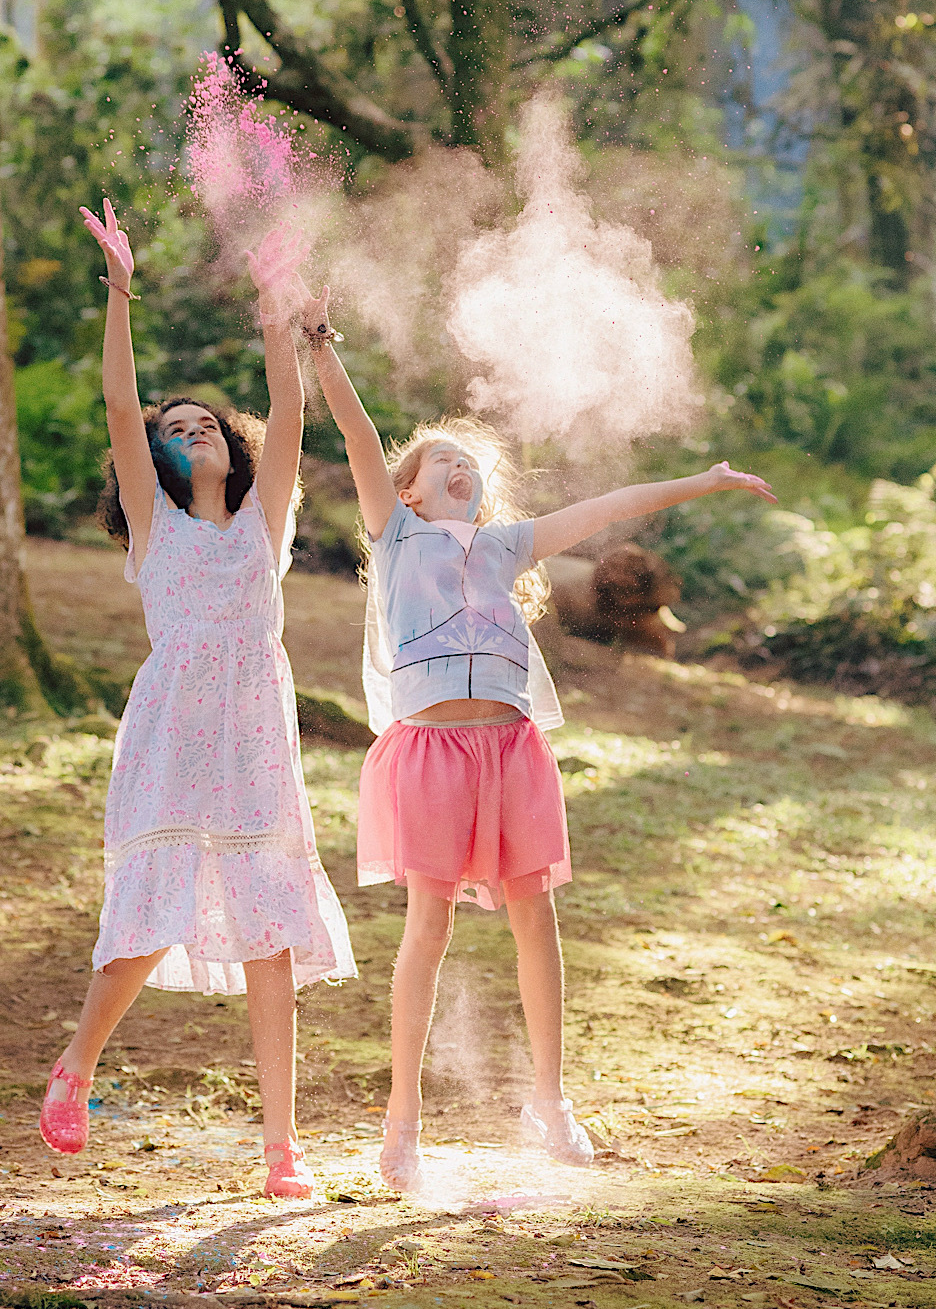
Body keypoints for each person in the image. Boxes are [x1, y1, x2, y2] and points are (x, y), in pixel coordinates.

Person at [298, 282, 774, 1193]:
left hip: (513, 752)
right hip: (433, 755)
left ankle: (548, 1100)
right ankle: (403, 1126)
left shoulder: (508, 545)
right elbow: (358, 436)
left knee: (535, 920)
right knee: (427, 929)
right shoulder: (397, 537)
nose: (463, 468)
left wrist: (704, 482)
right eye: (444, 462)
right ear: (407, 489)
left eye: (471, 462)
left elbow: (608, 507)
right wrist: (322, 342)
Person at [38, 203, 356, 1198]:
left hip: (257, 743)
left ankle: (280, 1151)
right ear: (158, 463)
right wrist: (122, 291)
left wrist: (277, 307)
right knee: (146, 919)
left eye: (206, 422)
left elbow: (288, 406)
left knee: (269, 934)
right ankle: (76, 1066)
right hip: (174, 739)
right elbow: (118, 401)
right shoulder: (154, 530)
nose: (194, 430)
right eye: (176, 430)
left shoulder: (263, 525)